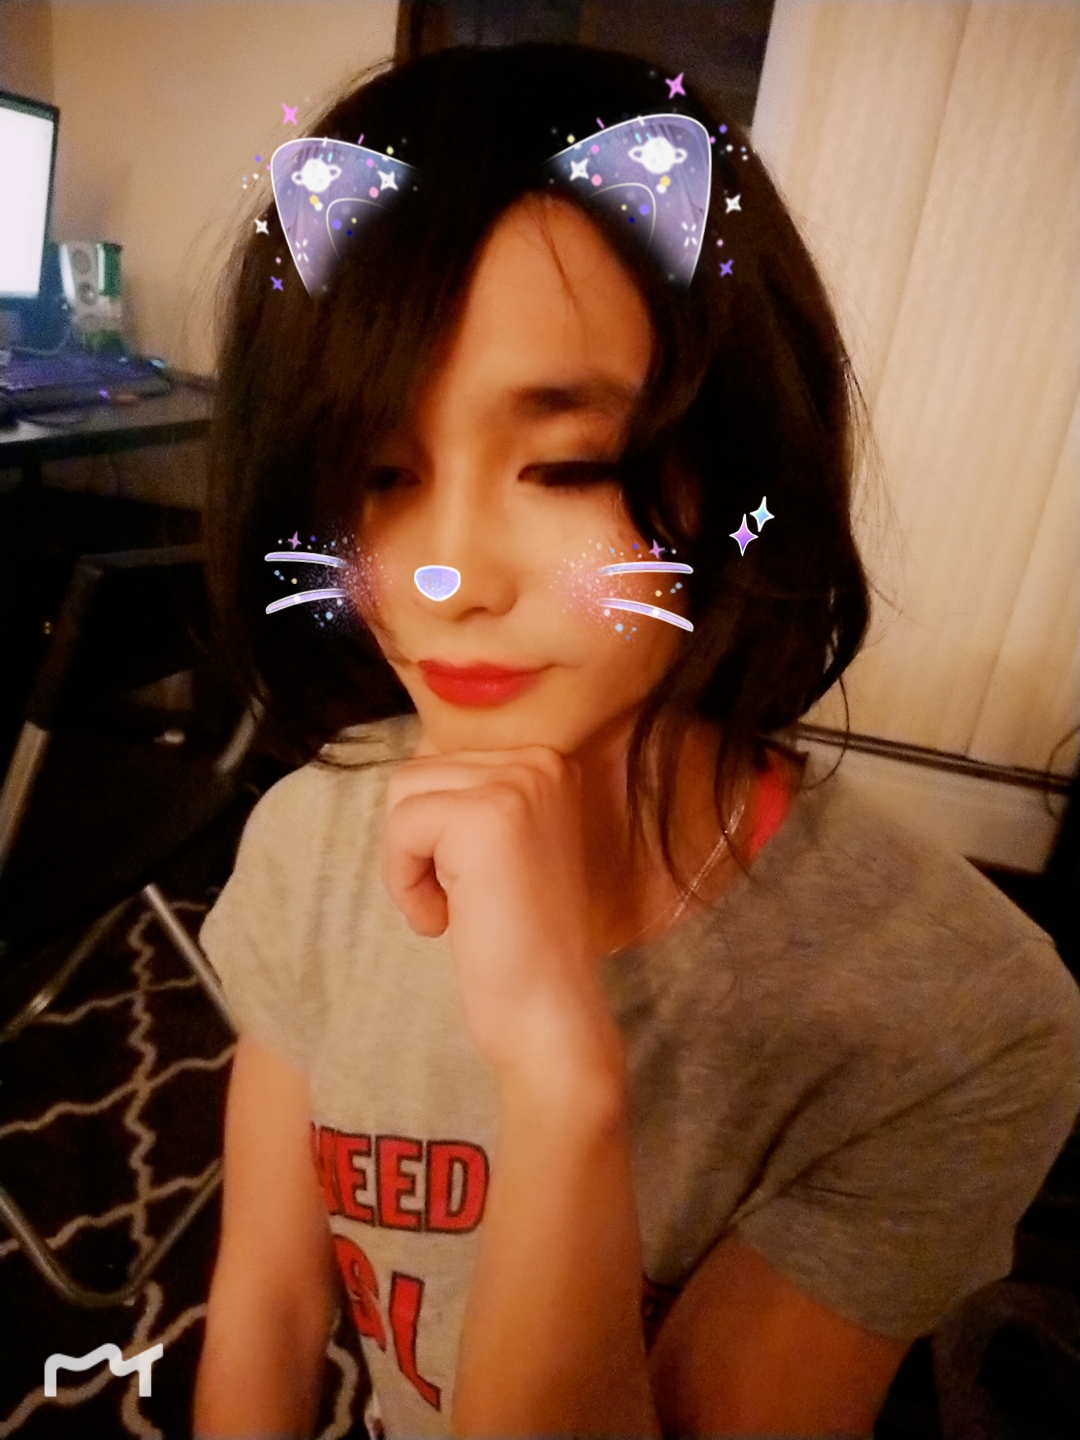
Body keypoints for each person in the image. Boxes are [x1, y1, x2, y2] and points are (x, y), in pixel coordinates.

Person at [192, 41, 1080, 1440]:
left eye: (568, 466)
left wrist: (561, 1083)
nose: (446, 577)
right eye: (379, 473)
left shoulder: (954, 1018)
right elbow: (267, 1305)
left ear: (742, 467)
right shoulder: (311, 840)